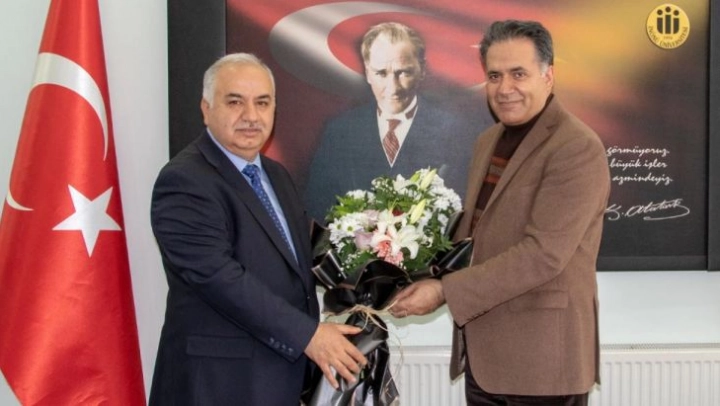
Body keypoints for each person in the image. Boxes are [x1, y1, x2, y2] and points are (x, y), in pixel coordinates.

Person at [390, 20, 610, 405]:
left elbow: (543, 255)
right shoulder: (488, 141)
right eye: (494, 76)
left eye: (518, 74)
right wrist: (400, 261)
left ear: (548, 76)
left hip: (544, 367)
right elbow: (475, 236)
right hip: (486, 358)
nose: (504, 88)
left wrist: (444, 291)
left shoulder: (576, 147)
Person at [149, 53, 367, 405]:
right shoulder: (184, 180)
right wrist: (309, 336)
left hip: (279, 378)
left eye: (262, 103)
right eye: (235, 102)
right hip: (217, 385)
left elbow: (300, 260)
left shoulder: (276, 176)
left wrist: (380, 270)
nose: (251, 116)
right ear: (206, 109)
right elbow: (219, 277)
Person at [304, 21, 490, 222]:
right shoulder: (339, 132)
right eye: (381, 73)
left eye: (403, 72)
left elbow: (465, 212)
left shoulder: (456, 132)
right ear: (367, 72)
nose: (393, 87)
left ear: (422, 70)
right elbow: (318, 209)